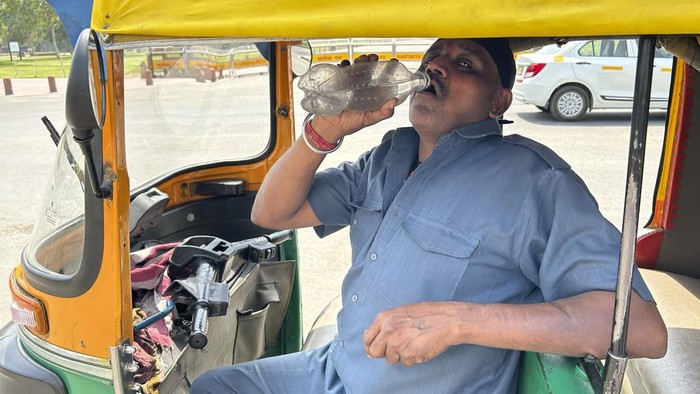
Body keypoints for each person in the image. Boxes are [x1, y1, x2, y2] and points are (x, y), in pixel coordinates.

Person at [191, 38, 667, 394]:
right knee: (215, 386)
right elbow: (271, 212)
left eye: (465, 64)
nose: (436, 66)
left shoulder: (534, 182)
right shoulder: (386, 156)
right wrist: (322, 132)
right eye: (433, 57)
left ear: (499, 100)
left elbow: (642, 329)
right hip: (335, 369)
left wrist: (459, 322)